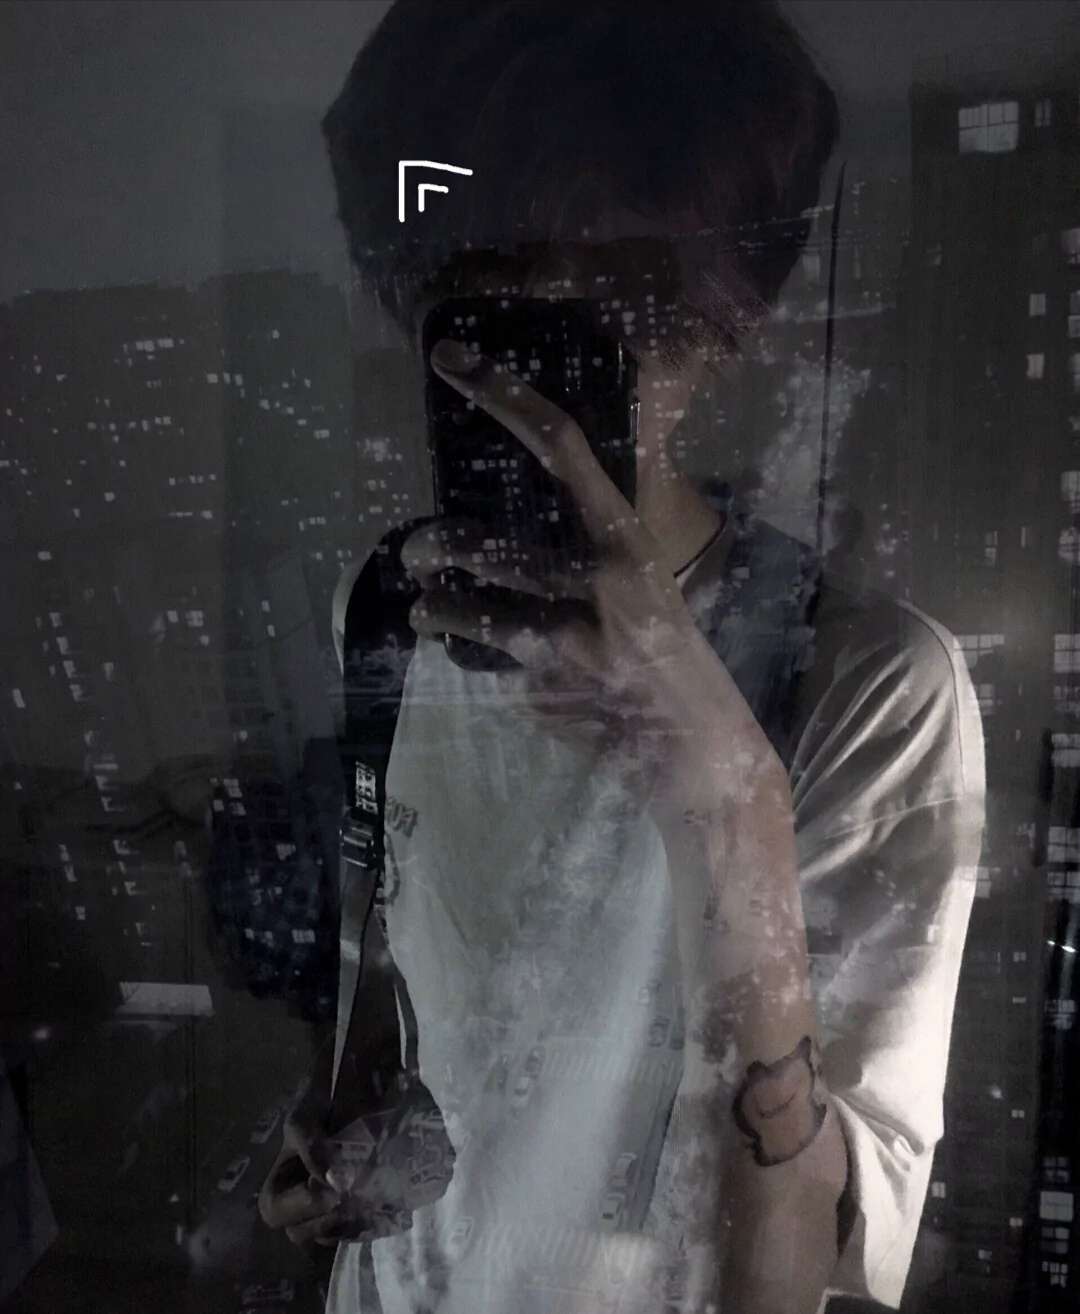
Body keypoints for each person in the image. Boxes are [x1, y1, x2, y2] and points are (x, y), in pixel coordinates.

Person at [259, 3, 986, 1312]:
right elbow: (412, 996)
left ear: (726, 319)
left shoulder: (866, 683)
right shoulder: (386, 604)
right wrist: (353, 1129)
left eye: (605, 309)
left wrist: (729, 800)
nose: (532, 365)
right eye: (480, 293)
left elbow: (799, 1278)